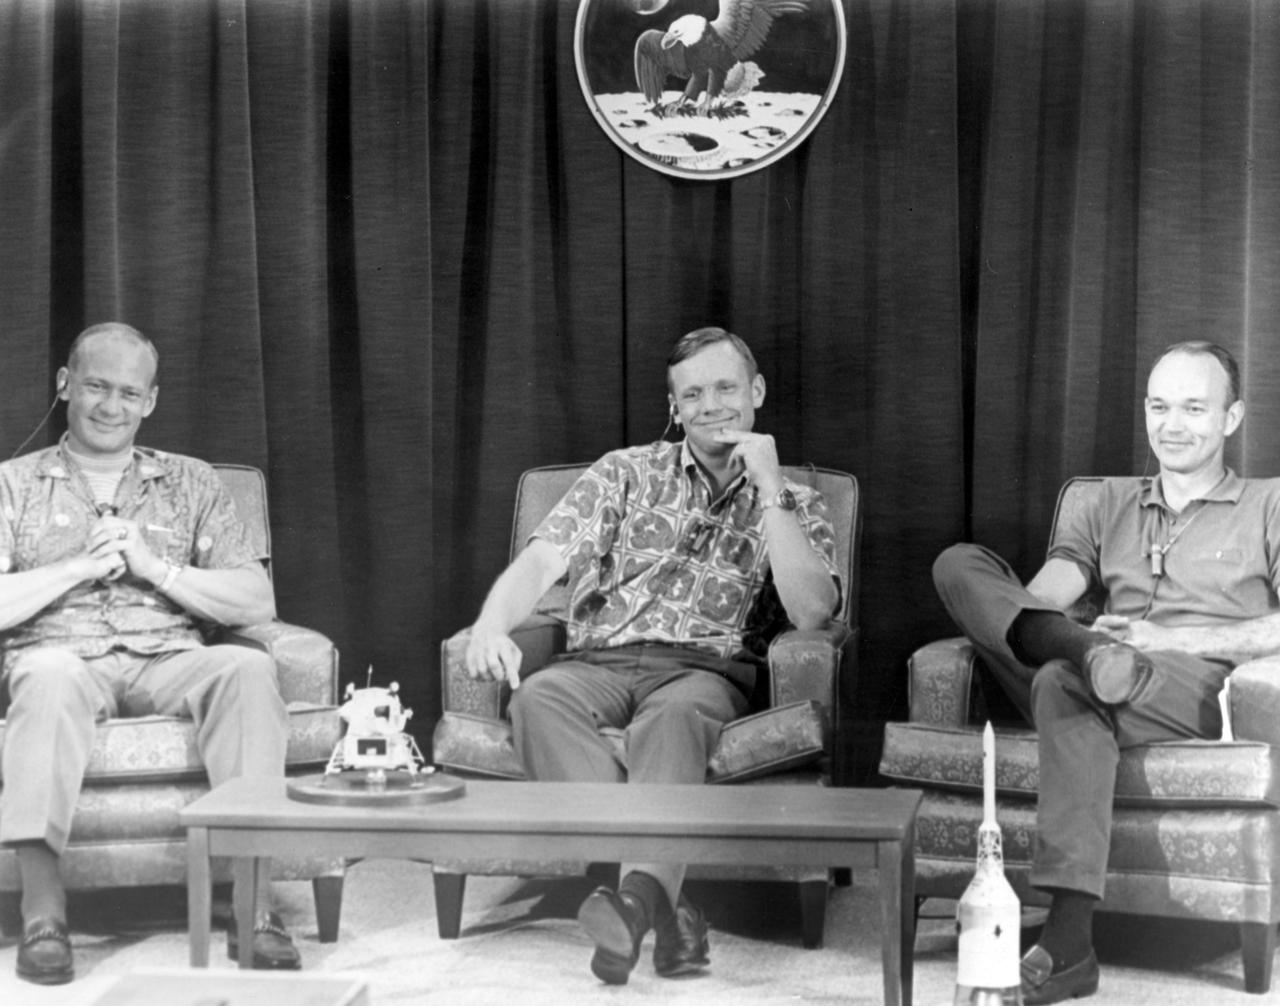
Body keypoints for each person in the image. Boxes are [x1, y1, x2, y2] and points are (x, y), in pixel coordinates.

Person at [462, 326, 842, 985]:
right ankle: (663, 906)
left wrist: (770, 487)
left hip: (701, 672)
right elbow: (541, 563)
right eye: (692, 395)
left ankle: (636, 903)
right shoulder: (624, 472)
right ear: (674, 407)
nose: (711, 406)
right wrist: (491, 624)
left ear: (756, 392)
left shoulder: (796, 500)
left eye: (725, 388)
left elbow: (813, 612)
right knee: (537, 700)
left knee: (673, 721)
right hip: (597, 664)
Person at [932, 340, 1280, 1005]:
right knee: (958, 565)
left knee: (1064, 679)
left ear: (1232, 418)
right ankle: (1082, 652)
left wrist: (1168, 638)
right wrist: (1035, 622)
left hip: (1192, 683)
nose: (1171, 425)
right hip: (1084, 659)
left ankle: (1067, 939)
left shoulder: (1269, 505)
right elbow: (1048, 589)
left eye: (1193, 408)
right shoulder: (1106, 501)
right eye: (1159, 406)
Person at [0, 323, 299, 984]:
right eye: (96, 386)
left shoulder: (191, 481)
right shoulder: (13, 484)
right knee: (45, 676)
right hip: (62, 655)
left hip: (169, 656)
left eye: (129, 393)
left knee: (247, 667)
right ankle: (43, 913)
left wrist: (157, 569)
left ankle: (253, 905)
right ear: (64, 385)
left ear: (152, 400)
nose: (111, 406)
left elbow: (257, 601)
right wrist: (78, 568)